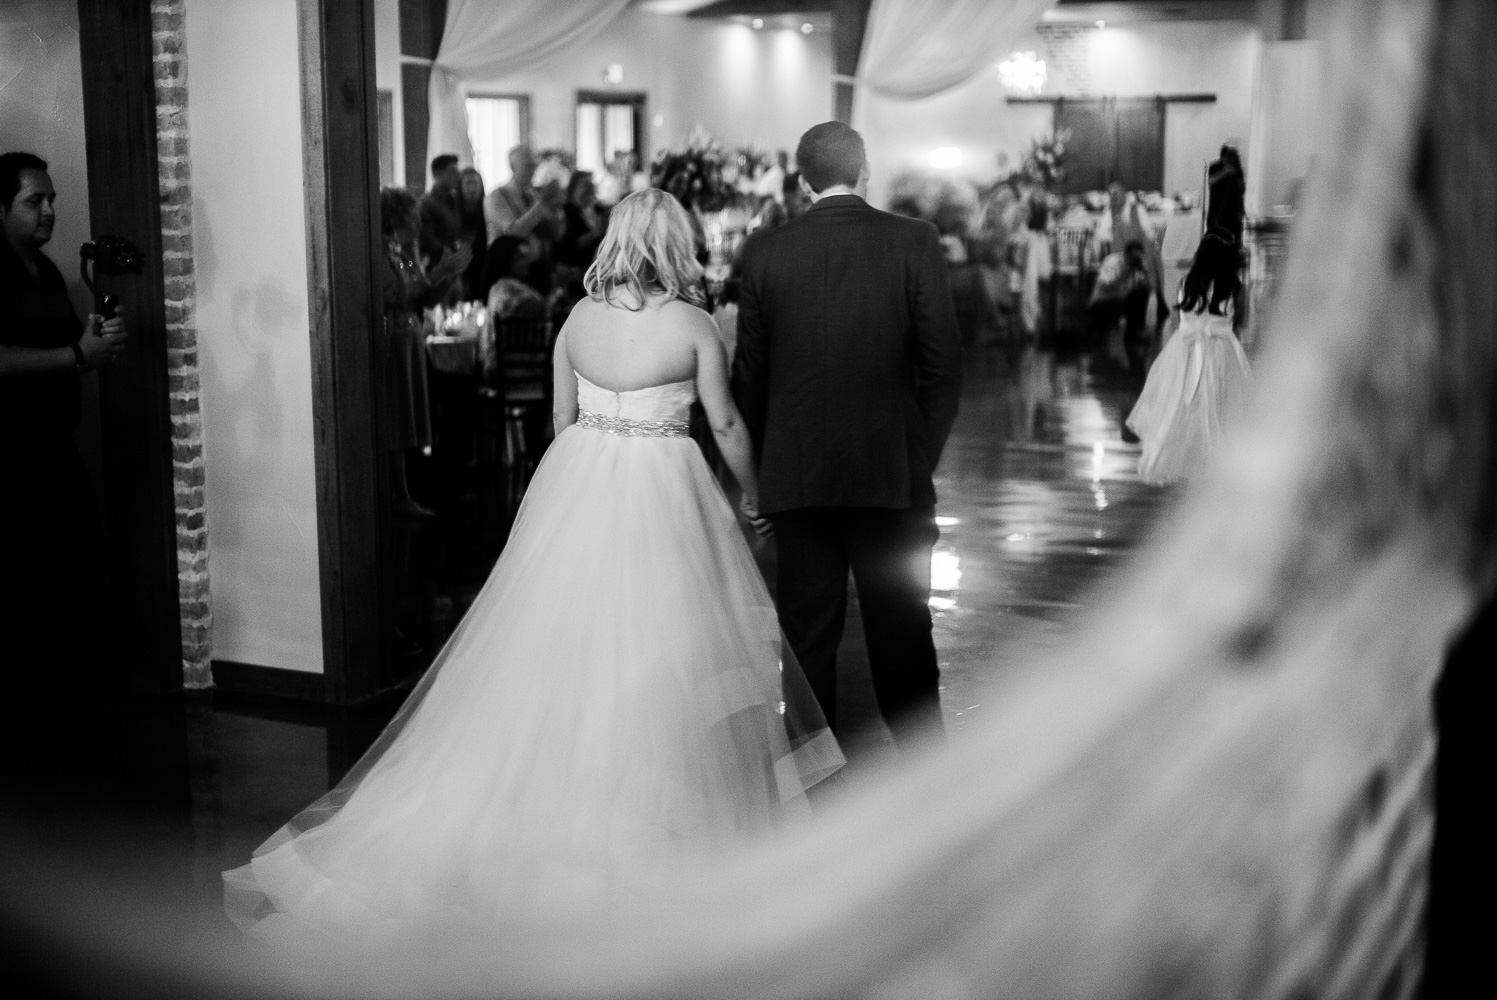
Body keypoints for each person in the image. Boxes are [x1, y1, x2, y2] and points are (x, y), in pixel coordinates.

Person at [224, 188, 842, 942]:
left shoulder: (577, 319)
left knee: (559, 644)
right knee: (661, 643)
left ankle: (550, 794)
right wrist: (754, 497)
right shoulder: (694, 323)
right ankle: (647, 810)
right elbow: (724, 421)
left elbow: (558, 420)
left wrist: (592, 460)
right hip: (662, 489)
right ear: (677, 244)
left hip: (580, 479)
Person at [731, 121, 963, 752]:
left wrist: (759, 474)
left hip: (797, 475)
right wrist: (919, 458)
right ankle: (925, 772)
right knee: (904, 633)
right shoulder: (914, 240)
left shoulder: (765, 252)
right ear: (866, 169)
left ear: (803, 181)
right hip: (892, 474)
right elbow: (943, 367)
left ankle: (810, 783)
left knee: (806, 642)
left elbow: (748, 380)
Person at [0, 151, 127, 681]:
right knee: (22, 571)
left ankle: (42, 681)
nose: (49, 210)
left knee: (77, 552)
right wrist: (77, 356)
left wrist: (96, 341)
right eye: (35, 201)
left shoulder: (49, 272)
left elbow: (75, 347)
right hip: (9, 451)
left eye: (51, 199)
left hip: (51, 443)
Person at [1125, 231, 1252, 485]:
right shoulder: (1235, 287)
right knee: (1221, 407)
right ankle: (1219, 465)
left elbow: (1177, 321)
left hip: (1184, 350)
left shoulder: (1185, 283)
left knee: (1179, 407)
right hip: (1221, 351)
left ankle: (1186, 457)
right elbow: (1244, 321)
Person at [380, 186, 469, 517]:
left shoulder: (403, 250)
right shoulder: (377, 251)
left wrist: (448, 275)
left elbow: (425, 298)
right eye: (408, 219)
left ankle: (408, 491)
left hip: (410, 337)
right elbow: (397, 294)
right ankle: (397, 495)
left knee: (409, 413)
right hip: (392, 341)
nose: (413, 226)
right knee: (396, 416)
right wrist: (440, 271)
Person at [1087, 239, 1154, 372]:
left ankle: (1134, 332)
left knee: (1141, 293)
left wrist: (1144, 271)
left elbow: (1149, 288)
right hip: (1102, 303)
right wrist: (1124, 271)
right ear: (1126, 254)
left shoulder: (1136, 266)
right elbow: (1104, 283)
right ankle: (1103, 331)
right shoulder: (1113, 261)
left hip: (1119, 302)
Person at [418, 153, 465, 270]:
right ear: (437, 174)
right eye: (452, 172)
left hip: (453, 266)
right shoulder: (426, 204)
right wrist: (453, 248)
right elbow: (426, 241)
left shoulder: (454, 201)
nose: (458, 176)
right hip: (435, 269)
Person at [455, 166, 488, 300]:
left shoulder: (486, 210)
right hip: (460, 264)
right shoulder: (454, 212)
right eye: (468, 183)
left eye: (475, 183)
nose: (473, 188)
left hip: (482, 263)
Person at [1206, 144, 1246, 243]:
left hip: (1232, 215)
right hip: (1216, 213)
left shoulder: (1237, 169)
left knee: (1233, 244)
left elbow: (1242, 189)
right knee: (1215, 242)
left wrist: (1236, 174)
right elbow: (1211, 181)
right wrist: (1225, 172)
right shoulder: (1215, 166)